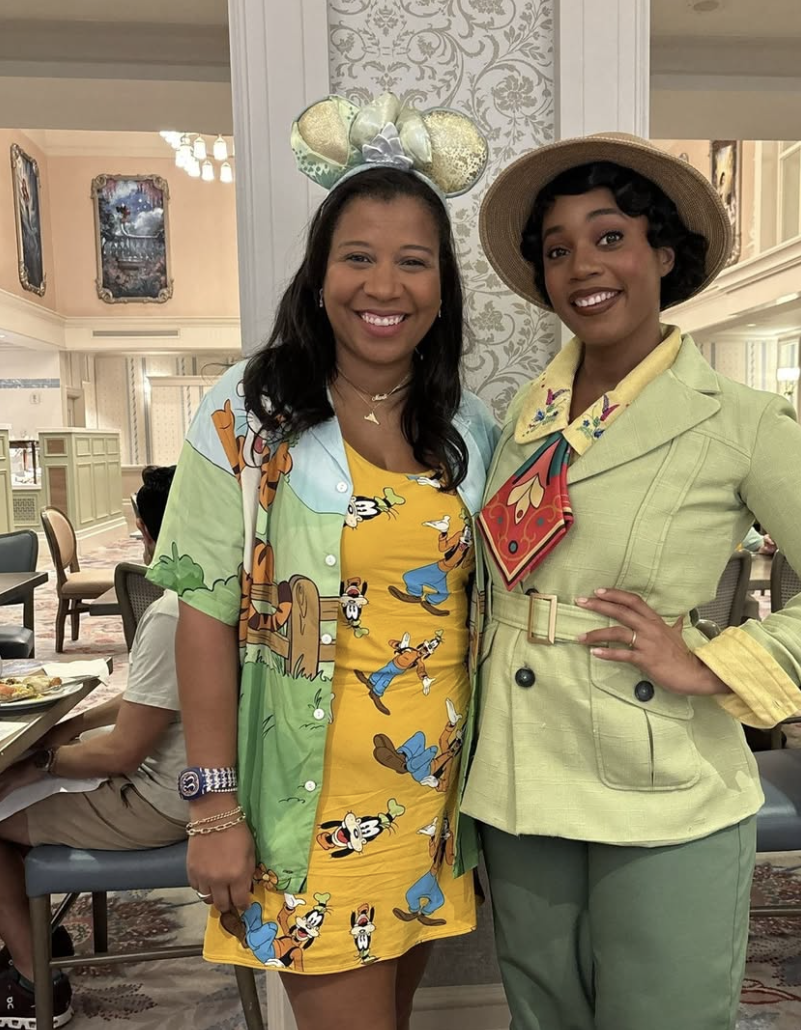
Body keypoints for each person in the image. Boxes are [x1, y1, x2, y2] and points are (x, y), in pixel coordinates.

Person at [461, 134, 801, 1030]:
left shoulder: (738, 420)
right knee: (543, 1015)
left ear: (663, 253)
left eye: (609, 236)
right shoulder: (524, 416)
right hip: (518, 764)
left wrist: (715, 663)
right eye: (557, 248)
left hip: (657, 766)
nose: (582, 265)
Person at [146, 93, 497, 1030]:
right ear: (318, 275)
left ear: (441, 286)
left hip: (431, 800)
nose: (384, 286)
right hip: (308, 809)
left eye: (412, 262)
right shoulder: (244, 413)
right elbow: (205, 614)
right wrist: (212, 808)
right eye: (358, 257)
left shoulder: (466, 426)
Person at [0, 465, 185, 1028]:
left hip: (160, 803)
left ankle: (36, 983)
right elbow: (153, 700)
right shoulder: (212, 595)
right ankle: (32, 925)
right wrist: (67, 729)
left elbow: (120, 755)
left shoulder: (173, 612)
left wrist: (40, 762)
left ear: (153, 531)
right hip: (187, 785)